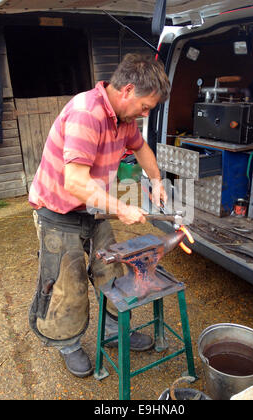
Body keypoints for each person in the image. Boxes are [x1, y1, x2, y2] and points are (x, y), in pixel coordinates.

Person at [28, 53, 171, 378]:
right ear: (128, 91)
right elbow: (75, 182)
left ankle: (111, 333)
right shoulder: (86, 114)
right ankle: (69, 343)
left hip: (92, 208)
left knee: (112, 271)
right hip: (57, 211)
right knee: (69, 283)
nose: (146, 113)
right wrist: (122, 208)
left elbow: (142, 148)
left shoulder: (125, 118)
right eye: (146, 106)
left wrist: (157, 181)